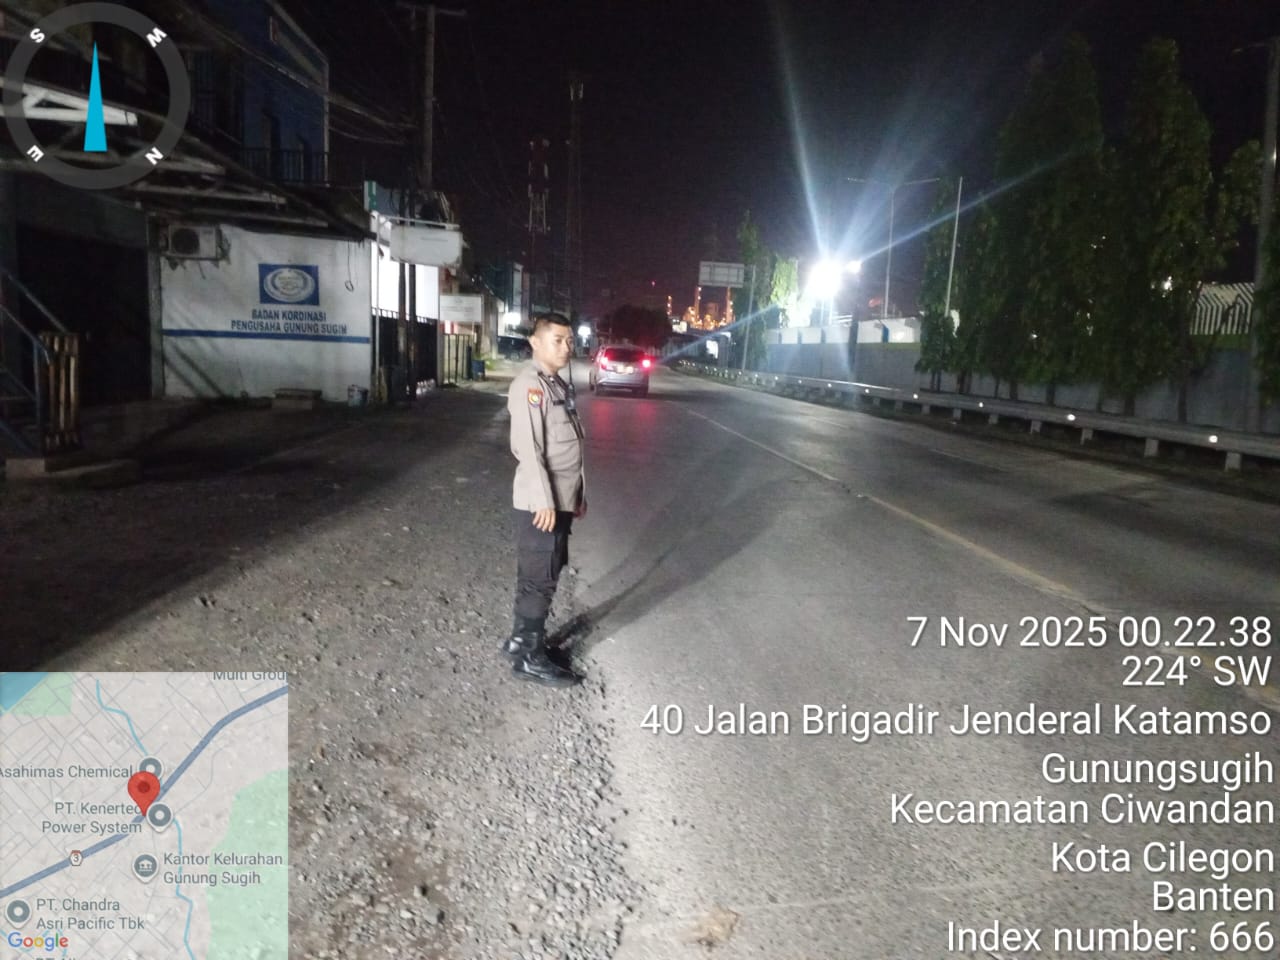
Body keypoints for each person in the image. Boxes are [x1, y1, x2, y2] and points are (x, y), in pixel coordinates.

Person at [503, 313, 586, 686]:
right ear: (535, 343)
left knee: (540, 573)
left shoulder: (556, 384)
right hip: (542, 503)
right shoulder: (530, 386)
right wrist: (544, 501)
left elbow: (571, 445)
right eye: (557, 340)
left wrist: (577, 496)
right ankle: (530, 659)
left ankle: (521, 642)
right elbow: (529, 448)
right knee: (541, 578)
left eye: (569, 340)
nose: (566, 347)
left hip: (560, 498)